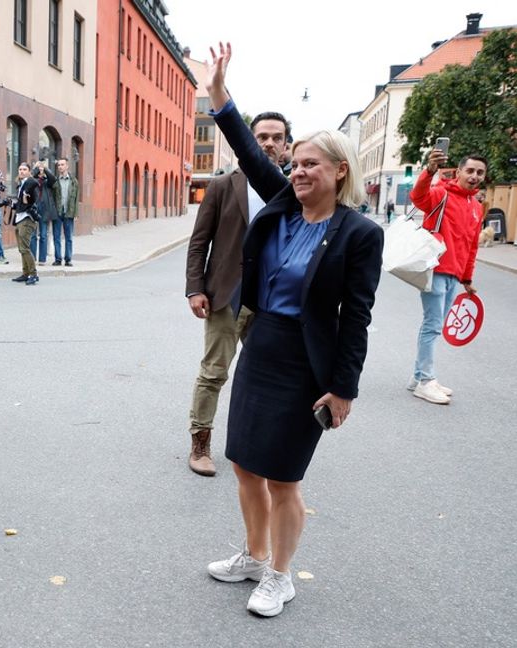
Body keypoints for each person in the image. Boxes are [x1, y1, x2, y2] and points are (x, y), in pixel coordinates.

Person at [204, 43, 383, 617]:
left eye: (310, 164)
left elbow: (356, 315)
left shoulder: (359, 234)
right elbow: (253, 159)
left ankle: (281, 576)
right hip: (262, 347)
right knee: (243, 463)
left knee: (283, 476)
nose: (298, 171)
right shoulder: (283, 204)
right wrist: (220, 98)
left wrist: (344, 387)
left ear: (340, 172)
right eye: (296, 163)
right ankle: (255, 557)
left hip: (307, 363)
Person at [183, 110, 290, 476]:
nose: (269, 144)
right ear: (250, 141)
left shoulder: (292, 192)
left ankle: (253, 447)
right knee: (214, 373)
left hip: (271, 301)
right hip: (226, 296)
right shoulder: (222, 186)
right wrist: (195, 288)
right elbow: (199, 244)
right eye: (262, 137)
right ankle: (200, 444)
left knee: (263, 377)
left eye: (277, 137)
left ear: (286, 146)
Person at [407, 149, 486, 404]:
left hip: (454, 274)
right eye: (470, 170)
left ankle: (419, 376)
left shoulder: (476, 206)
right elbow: (417, 197)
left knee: (435, 324)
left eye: (480, 172)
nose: (474, 176)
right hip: (436, 268)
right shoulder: (442, 193)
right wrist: (429, 171)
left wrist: (467, 278)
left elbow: (472, 245)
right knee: (432, 324)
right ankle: (426, 381)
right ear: (460, 171)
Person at [9, 162, 40, 285]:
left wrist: (36, 170)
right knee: (22, 249)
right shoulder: (21, 185)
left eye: (24, 169)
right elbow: (22, 203)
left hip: (27, 219)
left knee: (25, 248)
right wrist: (12, 204)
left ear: (29, 171)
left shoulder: (30, 183)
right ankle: (25, 273)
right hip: (19, 218)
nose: (21, 171)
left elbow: (34, 184)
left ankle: (33, 274)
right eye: (20, 169)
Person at [50, 157, 79, 267]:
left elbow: (76, 198)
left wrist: (75, 213)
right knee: (56, 237)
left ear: (67, 166)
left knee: (69, 237)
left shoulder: (74, 181)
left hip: (69, 212)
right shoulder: (55, 181)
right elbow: (52, 197)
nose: (60, 167)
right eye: (59, 165)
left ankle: (68, 259)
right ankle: (58, 259)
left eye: (62, 164)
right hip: (57, 212)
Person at [30, 163, 55, 265]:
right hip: (34, 209)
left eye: (42, 170)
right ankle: (32, 258)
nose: (40, 172)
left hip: (45, 210)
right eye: (39, 170)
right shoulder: (33, 181)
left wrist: (45, 169)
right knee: (33, 235)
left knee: (43, 235)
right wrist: (36, 169)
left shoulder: (47, 182)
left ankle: (42, 259)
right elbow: (31, 177)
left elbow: (53, 179)